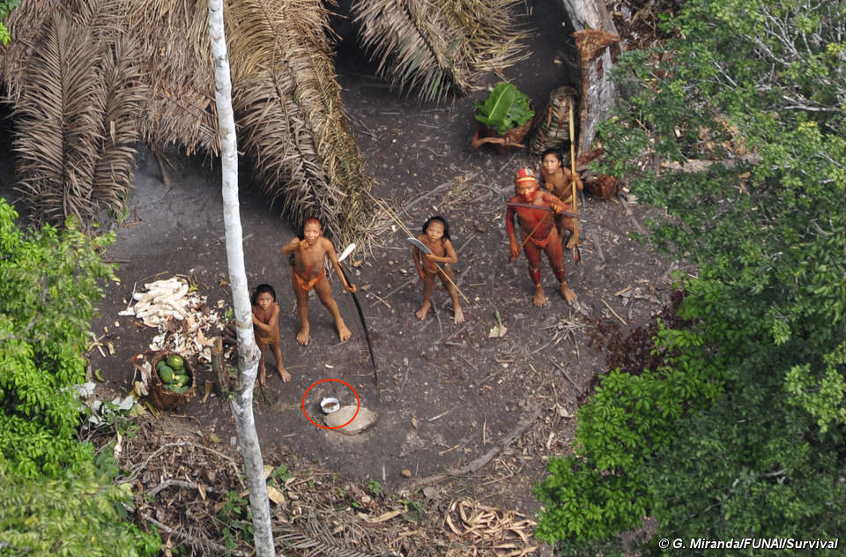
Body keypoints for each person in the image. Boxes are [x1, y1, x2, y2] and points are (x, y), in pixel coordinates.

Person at [506, 167, 578, 307]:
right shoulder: (514, 202)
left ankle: (563, 285)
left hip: (549, 235)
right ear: (516, 189)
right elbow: (509, 219)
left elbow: (570, 212)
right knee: (534, 265)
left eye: (529, 188)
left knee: (557, 264)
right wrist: (513, 241)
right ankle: (538, 288)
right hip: (529, 238)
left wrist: (560, 209)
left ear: (536, 186)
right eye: (522, 189)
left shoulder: (546, 198)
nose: (526, 193)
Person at [280, 218, 356, 346]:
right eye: (307, 231)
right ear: (303, 232)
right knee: (302, 303)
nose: (310, 235)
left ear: (320, 232)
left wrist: (345, 284)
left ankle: (339, 320)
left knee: (327, 300)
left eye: (315, 231)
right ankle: (305, 326)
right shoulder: (297, 242)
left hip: (318, 277)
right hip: (300, 278)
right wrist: (297, 245)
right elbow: (284, 250)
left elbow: (337, 265)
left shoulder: (325, 244)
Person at [412, 216, 465, 324]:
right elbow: (415, 254)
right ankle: (426, 304)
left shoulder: (445, 242)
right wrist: (419, 269)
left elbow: (453, 259)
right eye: (431, 230)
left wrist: (436, 258)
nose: (434, 234)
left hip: (443, 268)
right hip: (428, 269)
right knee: (427, 288)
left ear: (443, 233)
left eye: (438, 232)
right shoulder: (421, 239)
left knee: (449, 285)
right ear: (426, 229)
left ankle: (456, 306)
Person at [539, 148, 583, 254]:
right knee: (555, 219)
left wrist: (576, 180)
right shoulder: (543, 171)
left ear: (559, 163)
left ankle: (575, 232)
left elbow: (580, 188)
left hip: (569, 201)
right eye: (546, 161)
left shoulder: (566, 173)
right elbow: (540, 182)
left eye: (552, 162)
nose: (549, 165)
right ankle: (561, 234)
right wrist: (545, 186)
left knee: (566, 222)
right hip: (555, 200)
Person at [251, 284, 291, 385]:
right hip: (259, 336)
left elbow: (269, 328)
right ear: (256, 300)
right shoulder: (254, 309)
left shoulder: (275, 309)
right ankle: (261, 369)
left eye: (268, 299)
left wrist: (255, 321)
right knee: (261, 353)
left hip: (273, 335)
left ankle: (280, 367)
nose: (265, 303)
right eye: (261, 299)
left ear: (273, 299)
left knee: (276, 349)